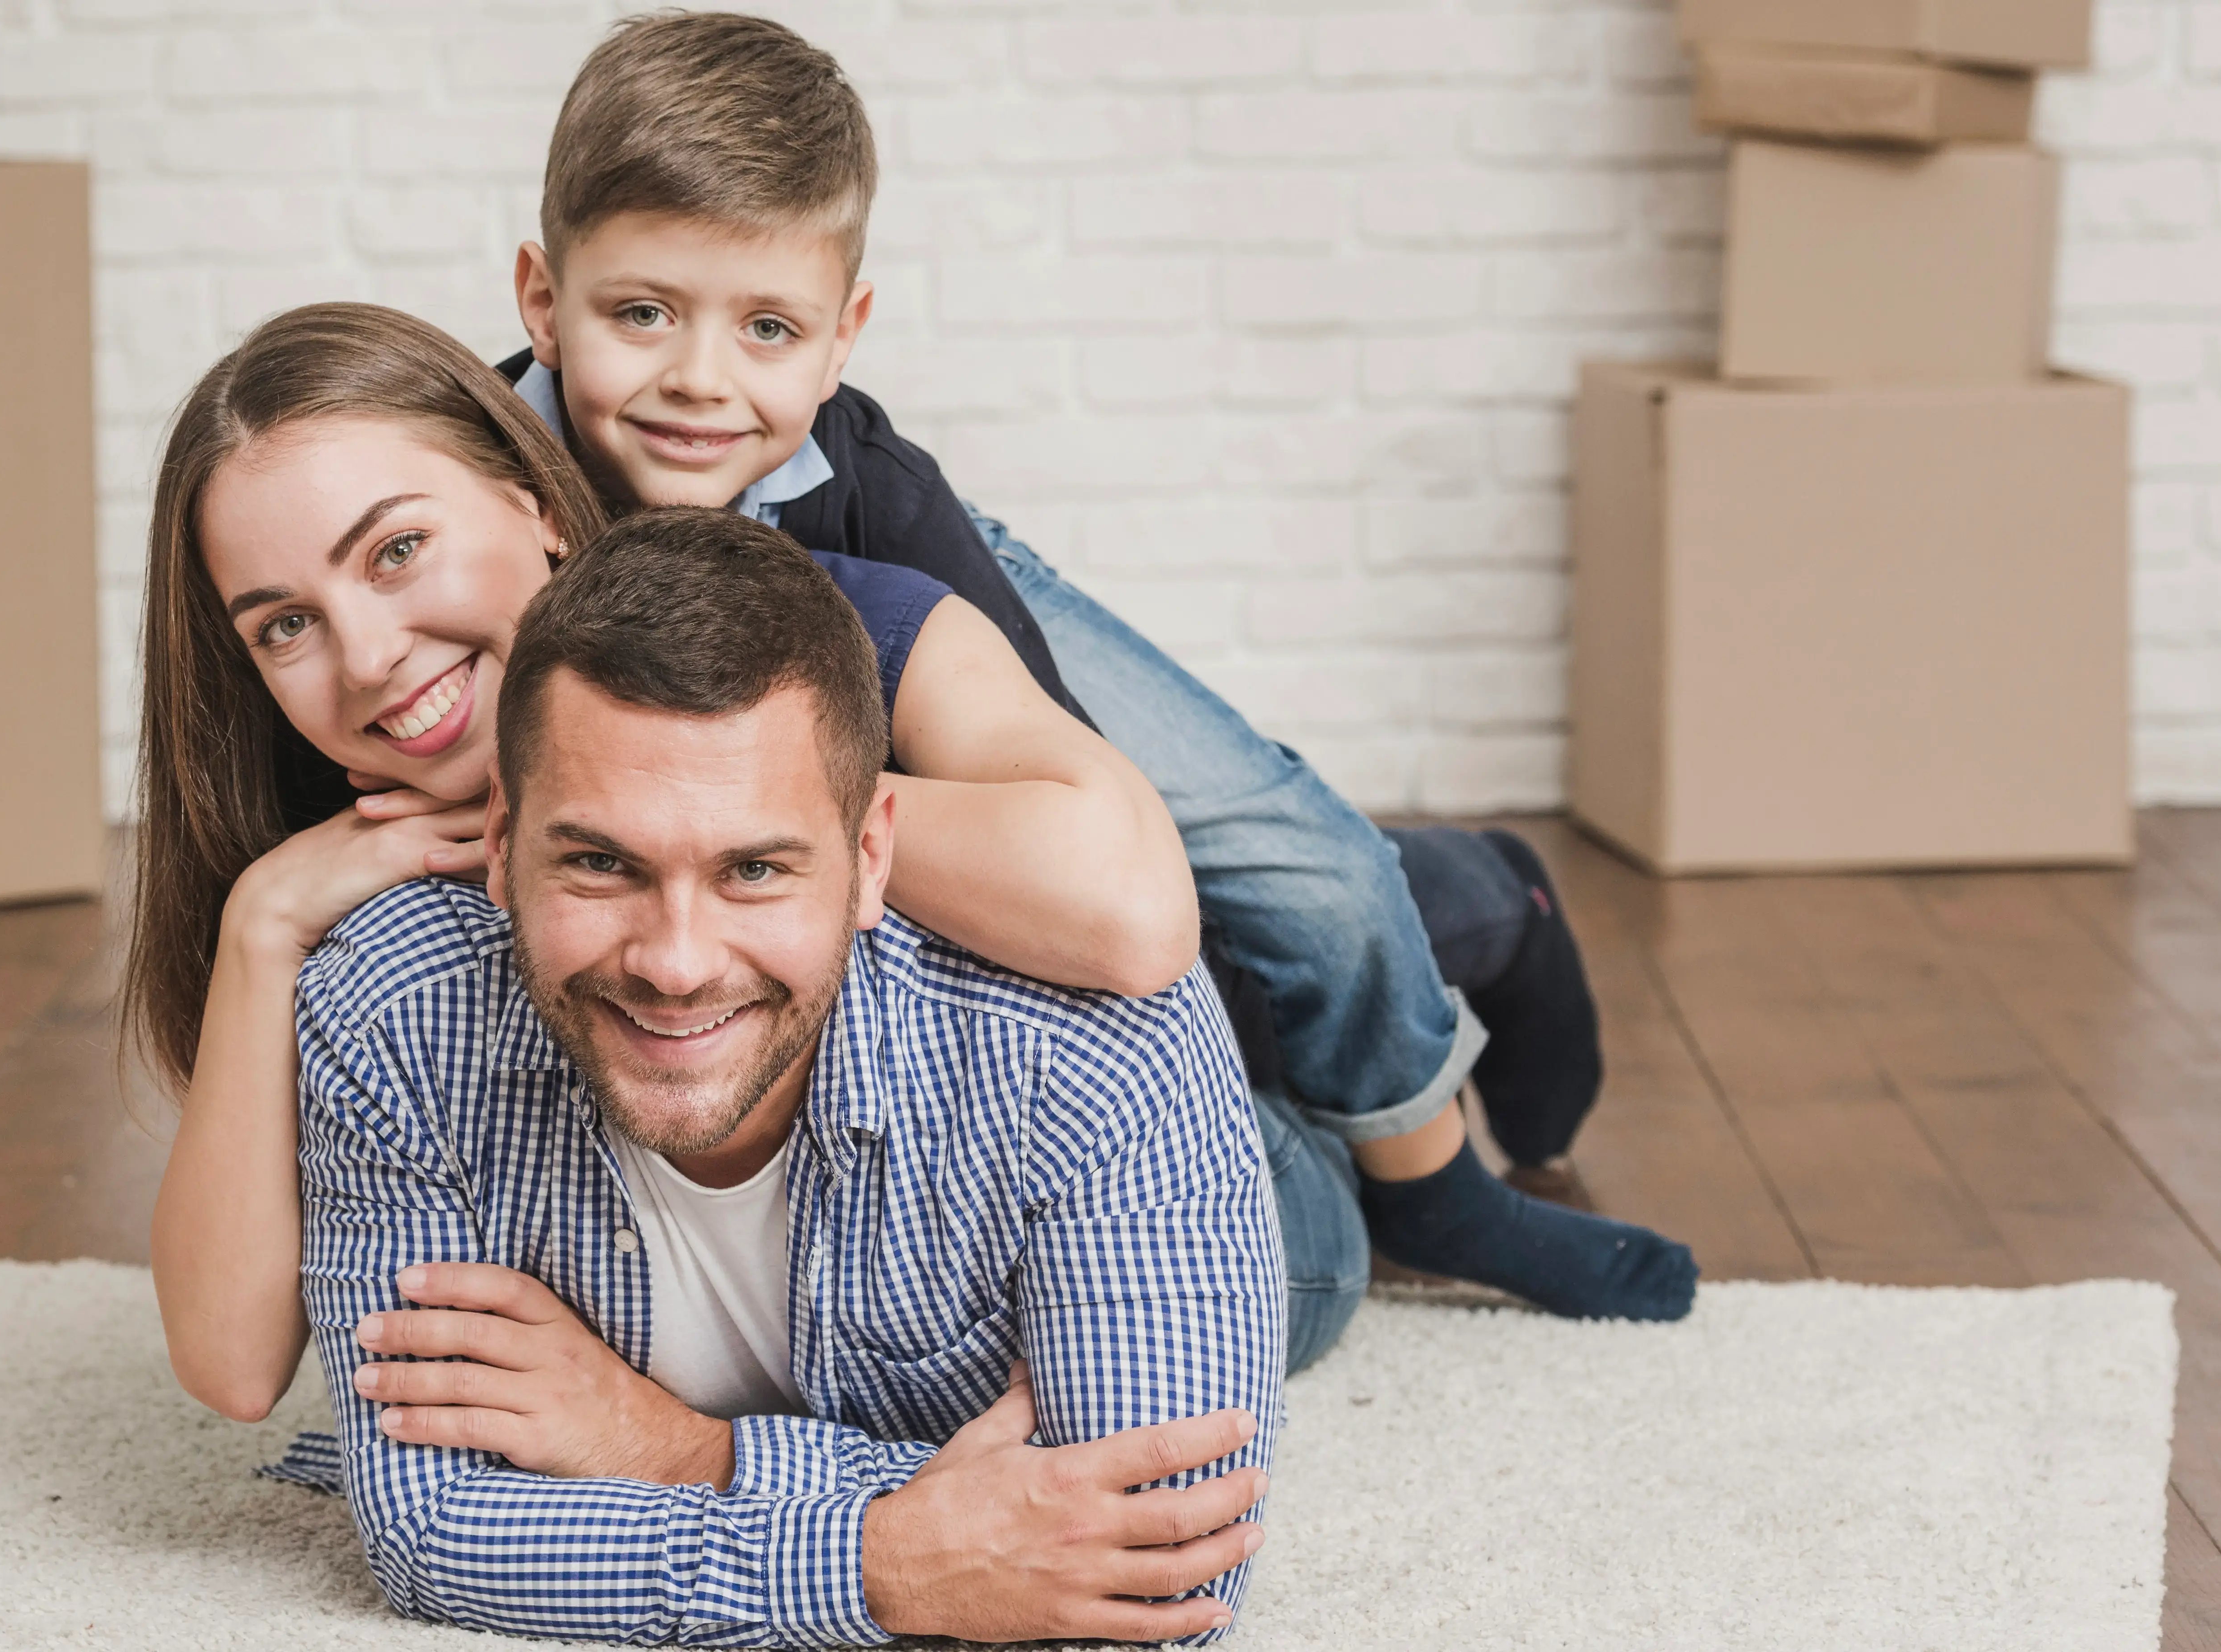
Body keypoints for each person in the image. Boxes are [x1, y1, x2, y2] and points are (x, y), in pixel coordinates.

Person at [494, 11, 1684, 1314]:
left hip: (957, 675)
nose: (699, 382)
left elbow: (1088, 845)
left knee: (1309, 887)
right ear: (545, 304)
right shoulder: (466, 500)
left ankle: (1444, 1118)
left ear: (845, 336)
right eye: (645, 313)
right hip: (823, 851)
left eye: (768, 330)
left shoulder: (881, 508)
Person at [127, 302, 1378, 1428]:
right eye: (284, 625)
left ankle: (1468, 926)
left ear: (538, 508)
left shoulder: (825, 624)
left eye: (398, 551)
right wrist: (260, 929)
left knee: (1325, 1074)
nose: (364, 656)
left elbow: (1136, 918)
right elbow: (235, 1369)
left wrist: (725, 807)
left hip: (1165, 1162)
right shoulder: (331, 855)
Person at [301, 505, 1281, 1645]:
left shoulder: (1098, 1045)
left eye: (754, 868)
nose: (673, 961)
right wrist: (891, 1562)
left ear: (871, 859)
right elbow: (428, 1534)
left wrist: (670, 1447)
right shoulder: (390, 1010)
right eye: (600, 862)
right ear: (503, 846)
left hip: (1268, 1204)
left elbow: (1153, 1577)